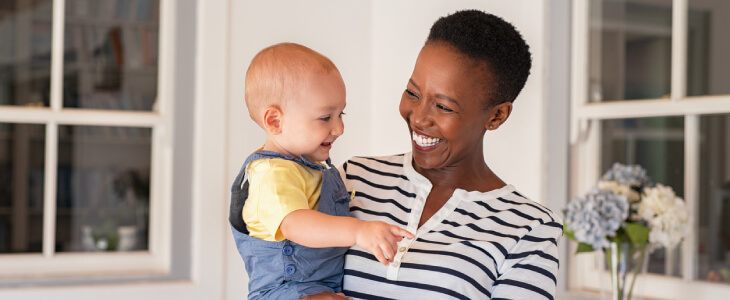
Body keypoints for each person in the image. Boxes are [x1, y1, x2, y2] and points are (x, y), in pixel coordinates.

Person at [307, 10, 562, 300]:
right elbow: (280, 268)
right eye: (413, 94)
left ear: (497, 116)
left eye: (444, 107)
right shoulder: (352, 179)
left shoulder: (528, 228)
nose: (419, 118)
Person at [229, 42, 414, 300]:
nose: (339, 128)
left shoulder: (310, 167)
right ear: (275, 121)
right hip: (284, 290)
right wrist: (359, 231)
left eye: (341, 114)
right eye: (326, 118)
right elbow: (297, 225)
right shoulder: (272, 174)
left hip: (320, 286)